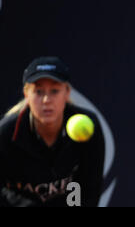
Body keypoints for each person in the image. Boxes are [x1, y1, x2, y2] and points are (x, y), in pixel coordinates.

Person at [0, 56, 105, 207]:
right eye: (38, 91)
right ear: (26, 95)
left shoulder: (89, 126)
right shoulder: (5, 134)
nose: (46, 100)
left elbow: (90, 187)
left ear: (67, 93)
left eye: (55, 91)